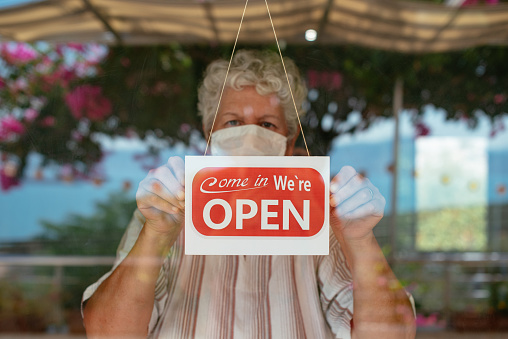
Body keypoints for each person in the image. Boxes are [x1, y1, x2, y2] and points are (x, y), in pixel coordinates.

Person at [82, 50, 416, 339]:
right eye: (233, 122)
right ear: (207, 133)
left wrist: (360, 240)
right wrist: (155, 235)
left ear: (289, 141)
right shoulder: (166, 208)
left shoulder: (320, 216)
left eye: (267, 124)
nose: (250, 134)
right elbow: (108, 332)